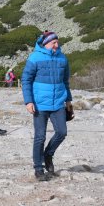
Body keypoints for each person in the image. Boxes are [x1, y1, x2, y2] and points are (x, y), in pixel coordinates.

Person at [21, 31, 72, 181]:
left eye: (57, 42)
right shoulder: (35, 57)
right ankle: (38, 168)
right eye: (54, 42)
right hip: (40, 104)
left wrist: (68, 100)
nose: (57, 45)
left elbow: (66, 81)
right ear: (46, 43)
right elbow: (26, 80)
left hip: (58, 103)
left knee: (62, 132)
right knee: (40, 137)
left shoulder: (63, 58)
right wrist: (28, 101)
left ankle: (48, 154)